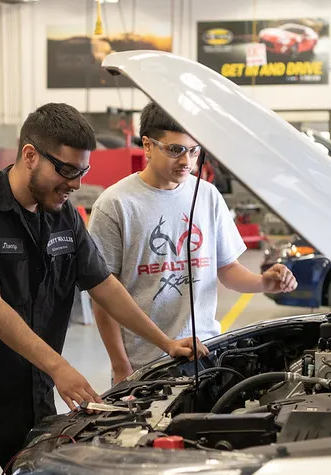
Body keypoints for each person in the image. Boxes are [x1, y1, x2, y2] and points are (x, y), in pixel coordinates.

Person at [0, 102, 207, 475]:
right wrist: (61, 368)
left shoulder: (63, 214)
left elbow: (104, 285)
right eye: (66, 171)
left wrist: (166, 343)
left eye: (82, 172)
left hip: (35, 401)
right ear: (30, 155)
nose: (76, 184)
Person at [88, 101, 298, 384]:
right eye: (175, 150)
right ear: (148, 146)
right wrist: (121, 366)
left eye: (194, 150)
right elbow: (103, 295)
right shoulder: (116, 205)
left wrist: (263, 283)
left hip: (206, 353)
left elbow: (226, 269)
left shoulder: (208, 196)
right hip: (146, 364)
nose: (186, 161)